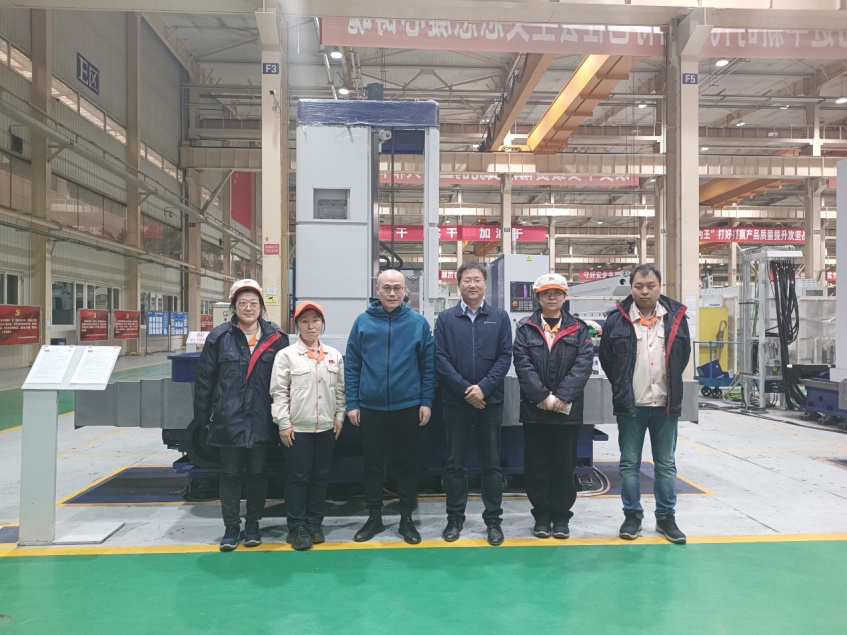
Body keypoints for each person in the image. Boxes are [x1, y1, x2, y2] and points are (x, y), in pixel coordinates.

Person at [194, 279, 289, 552]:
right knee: (230, 474)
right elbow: (205, 381)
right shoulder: (219, 337)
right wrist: (202, 420)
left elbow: (286, 381)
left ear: (261, 307)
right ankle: (231, 527)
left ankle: (254, 525)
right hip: (229, 418)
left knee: (259, 473)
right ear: (234, 307)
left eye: (253, 303)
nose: (248, 308)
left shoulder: (276, 338)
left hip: (261, 418)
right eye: (243, 303)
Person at [599, 264, 691, 544]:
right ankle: (632, 517)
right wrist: (623, 387)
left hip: (665, 404)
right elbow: (607, 359)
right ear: (631, 288)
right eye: (639, 286)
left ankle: (666, 518)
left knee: (666, 465)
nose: (644, 291)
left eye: (650, 286)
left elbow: (682, 356)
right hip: (632, 405)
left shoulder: (676, 318)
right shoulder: (616, 319)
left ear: (660, 287)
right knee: (629, 464)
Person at [345, 269, 435, 544]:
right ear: (377, 290)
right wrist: (352, 403)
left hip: (407, 406)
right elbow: (352, 364)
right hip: (370, 408)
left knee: (406, 466)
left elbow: (428, 367)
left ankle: (407, 519)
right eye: (387, 287)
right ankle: (374, 518)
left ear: (406, 290)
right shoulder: (362, 322)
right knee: (372, 466)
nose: (392, 293)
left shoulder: (418, 323)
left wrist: (426, 401)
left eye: (397, 287)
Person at [434, 262, 512, 546]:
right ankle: (455, 519)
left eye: (477, 280)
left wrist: (483, 389)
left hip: (489, 403)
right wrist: (466, 390)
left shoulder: (499, 318)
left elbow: (505, 356)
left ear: (485, 284)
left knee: (492, 464)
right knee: (456, 464)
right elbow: (440, 358)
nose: (472, 285)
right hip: (456, 402)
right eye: (467, 280)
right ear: (459, 285)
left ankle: (493, 521)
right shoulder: (446, 319)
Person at [513, 273, 594, 540]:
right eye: (546, 293)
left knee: (564, 465)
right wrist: (541, 396)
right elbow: (522, 364)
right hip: (535, 410)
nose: (552, 297)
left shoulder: (579, 329)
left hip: (566, 411)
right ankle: (541, 516)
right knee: (536, 466)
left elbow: (583, 365)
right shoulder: (525, 328)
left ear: (564, 296)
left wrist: (562, 396)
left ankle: (561, 518)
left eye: (557, 292)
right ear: (538, 297)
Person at [270, 302, 345, 551]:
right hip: (297, 430)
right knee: (298, 478)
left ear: (322, 323)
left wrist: (339, 417)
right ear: (297, 325)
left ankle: (314, 523)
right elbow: (279, 392)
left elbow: (340, 391)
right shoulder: (287, 356)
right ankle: (296, 526)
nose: (311, 326)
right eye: (304, 321)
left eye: (315, 320)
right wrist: (283, 423)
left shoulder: (334, 355)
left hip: (326, 428)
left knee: (320, 477)